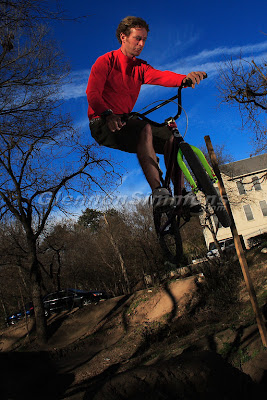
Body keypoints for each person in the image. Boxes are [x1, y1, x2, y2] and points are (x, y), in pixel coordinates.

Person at [86, 16, 206, 212]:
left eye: (144, 40)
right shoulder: (106, 61)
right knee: (144, 128)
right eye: (137, 39)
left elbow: (161, 75)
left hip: (125, 122)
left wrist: (184, 78)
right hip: (102, 122)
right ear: (123, 37)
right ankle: (158, 192)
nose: (141, 44)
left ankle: (181, 194)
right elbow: (92, 93)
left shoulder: (140, 68)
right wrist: (107, 114)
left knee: (171, 137)